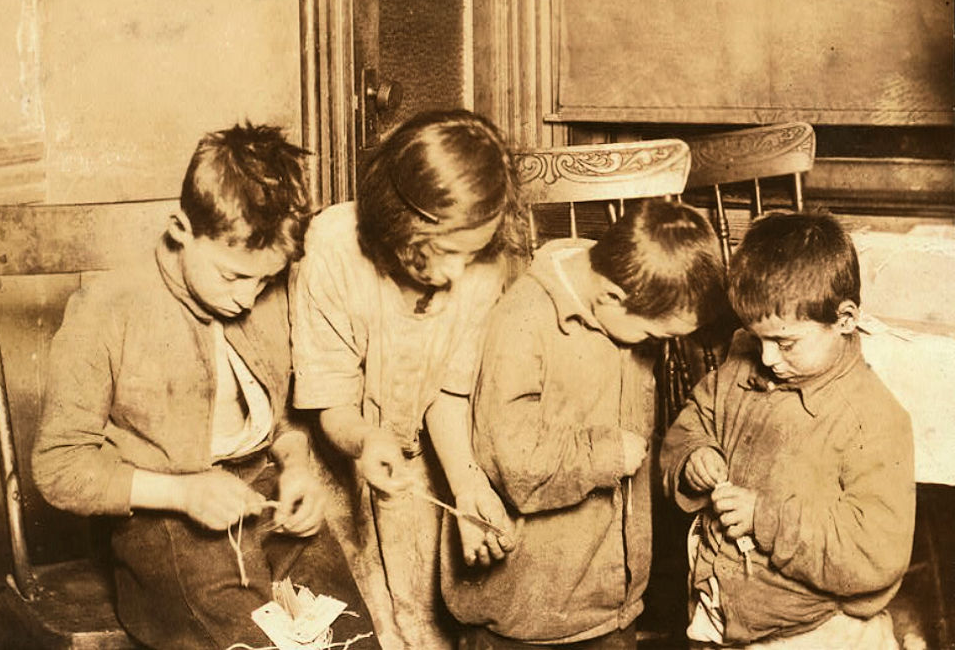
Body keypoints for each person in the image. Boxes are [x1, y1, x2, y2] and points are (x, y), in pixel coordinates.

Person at [31, 122, 380, 650]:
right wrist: (183, 492)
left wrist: (297, 469)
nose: (247, 297)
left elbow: (282, 418)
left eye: (265, 279)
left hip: (259, 493)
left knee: (347, 637)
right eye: (232, 276)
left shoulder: (262, 293)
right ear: (180, 228)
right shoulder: (108, 309)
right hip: (162, 517)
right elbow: (58, 467)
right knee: (262, 645)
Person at [442, 200, 727, 650]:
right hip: (528, 619)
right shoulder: (523, 320)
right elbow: (510, 461)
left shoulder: (625, 298)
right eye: (655, 337)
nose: (657, 347)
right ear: (611, 297)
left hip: (611, 602)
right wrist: (606, 455)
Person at [291, 109, 526, 650]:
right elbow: (331, 402)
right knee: (348, 627)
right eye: (443, 253)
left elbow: (447, 394)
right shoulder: (333, 247)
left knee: (425, 626)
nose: (455, 276)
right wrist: (367, 439)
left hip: (417, 458)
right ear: (398, 223)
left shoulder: (480, 269)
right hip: (330, 455)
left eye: (471, 255)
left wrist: (467, 487)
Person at [660, 211, 915, 649]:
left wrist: (765, 518)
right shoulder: (742, 366)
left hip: (817, 631)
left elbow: (876, 552)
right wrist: (694, 454)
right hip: (726, 609)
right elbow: (693, 421)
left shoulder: (872, 419)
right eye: (757, 338)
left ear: (845, 319)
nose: (768, 358)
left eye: (785, 342)